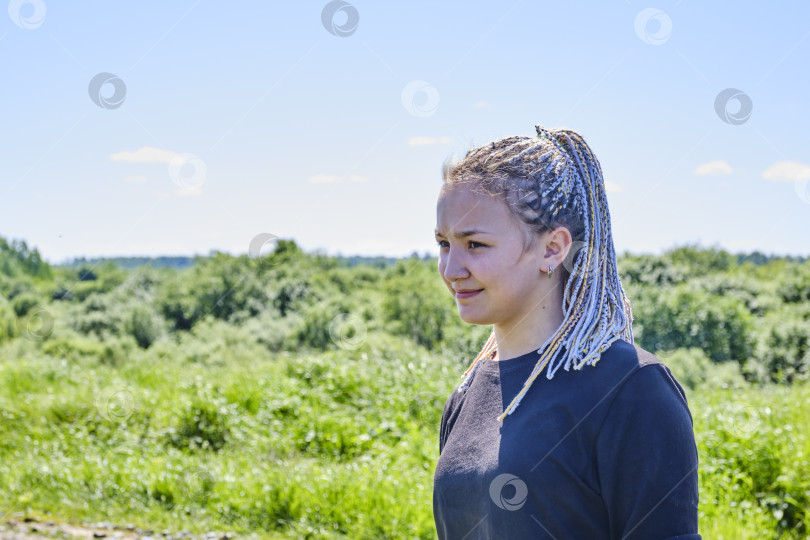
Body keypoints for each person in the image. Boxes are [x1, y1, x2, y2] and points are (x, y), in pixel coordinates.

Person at [432, 124, 700, 539]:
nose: (451, 270)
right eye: (444, 244)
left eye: (475, 245)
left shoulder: (631, 390)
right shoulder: (467, 396)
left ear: (553, 248)